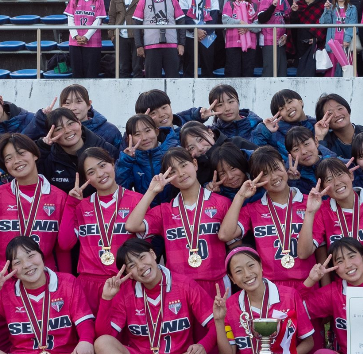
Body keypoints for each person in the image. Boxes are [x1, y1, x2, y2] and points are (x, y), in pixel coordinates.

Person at [189, 247, 333, 354]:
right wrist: (219, 321)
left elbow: (309, 342)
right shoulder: (230, 305)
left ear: (261, 266)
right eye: (238, 271)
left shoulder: (289, 295)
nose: (247, 274)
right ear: (232, 278)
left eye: (251, 266)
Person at [86, 238, 216, 354]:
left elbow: (216, 324)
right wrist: (106, 299)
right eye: (132, 265)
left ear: (153, 254)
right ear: (128, 273)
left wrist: (203, 346)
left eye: (142, 257)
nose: (140, 266)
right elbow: (104, 335)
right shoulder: (126, 292)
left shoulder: (184, 285)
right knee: (102, 343)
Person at [125, 148, 232, 299]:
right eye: (173, 171)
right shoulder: (165, 210)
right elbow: (132, 225)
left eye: (183, 165)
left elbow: (234, 244)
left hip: (216, 283)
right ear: (168, 178)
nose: (181, 173)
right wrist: (152, 191)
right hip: (179, 286)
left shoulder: (222, 204)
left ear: (195, 164)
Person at [0, 133, 71, 273]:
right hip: (1, 278)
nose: (16, 161)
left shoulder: (59, 197)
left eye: (21, 153)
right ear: (5, 166)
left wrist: (64, 280)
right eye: (9, 158)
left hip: (42, 277)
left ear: (35, 155)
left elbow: (62, 249)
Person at [57, 147, 144, 313]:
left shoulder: (138, 201)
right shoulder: (81, 206)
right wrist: (70, 204)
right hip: (88, 284)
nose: (100, 174)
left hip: (126, 281)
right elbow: (65, 243)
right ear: (86, 179)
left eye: (103, 165)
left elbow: (146, 245)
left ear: (113, 164)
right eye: (91, 172)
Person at [218, 147, 315, 284]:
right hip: (271, 286)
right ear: (256, 179)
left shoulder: (310, 203)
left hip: (308, 282)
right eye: (265, 174)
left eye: (276, 168)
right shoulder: (252, 209)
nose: (274, 177)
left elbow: (321, 250)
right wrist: (240, 196)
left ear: (284, 164)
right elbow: (225, 235)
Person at [35, 108, 111, 191]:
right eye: (59, 129)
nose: (67, 130)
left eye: (70, 123)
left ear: (79, 123)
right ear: (51, 135)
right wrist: (42, 147)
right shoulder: (47, 158)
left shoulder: (104, 148)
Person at [132, 0, 185, 78]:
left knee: (173, 79)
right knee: (152, 80)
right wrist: (139, 45)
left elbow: (181, 23)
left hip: (171, 45)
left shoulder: (173, 1)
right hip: (150, 46)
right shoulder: (143, 2)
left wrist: (181, 44)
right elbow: (136, 25)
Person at [55, 83, 124, 156]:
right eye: (67, 103)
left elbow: (119, 160)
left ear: (89, 104)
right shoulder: (55, 132)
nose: (73, 108)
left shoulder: (110, 131)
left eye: (78, 101)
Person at [178, 0, 221, 78]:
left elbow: (214, 17)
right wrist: (196, 30)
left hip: (208, 35)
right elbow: (184, 17)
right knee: (189, 65)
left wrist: (203, 32)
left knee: (208, 65)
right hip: (190, 35)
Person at [313, 92, 363, 160]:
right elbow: (323, 163)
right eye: (330, 113)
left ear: (348, 109)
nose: (337, 114)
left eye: (340, 109)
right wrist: (319, 137)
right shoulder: (325, 142)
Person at [64, 0, 107, 78]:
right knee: (77, 74)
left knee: (91, 74)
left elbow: (98, 20)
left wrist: (86, 36)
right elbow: (70, 18)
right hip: (75, 42)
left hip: (93, 42)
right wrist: (75, 36)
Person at [251, 89, 316, 158]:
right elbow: (255, 152)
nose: (288, 108)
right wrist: (264, 130)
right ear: (279, 117)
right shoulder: (275, 135)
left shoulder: (317, 125)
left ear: (301, 102)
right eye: (281, 108)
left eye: (289, 102)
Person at [109, 0, 145, 78]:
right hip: (120, 35)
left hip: (137, 36)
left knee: (138, 68)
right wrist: (112, 35)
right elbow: (112, 16)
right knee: (123, 68)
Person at [115, 114, 166, 191]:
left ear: (156, 131)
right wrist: (126, 161)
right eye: (137, 134)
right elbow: (120, 189)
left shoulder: (170, 152)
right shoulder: (131, 161)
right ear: (129, 139)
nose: (144, 138)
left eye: (147, 131)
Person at [254, 0, 290, 78]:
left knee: (281, 70)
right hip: (269, 39)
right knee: (270, 69)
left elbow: (287, 19)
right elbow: (261, 18)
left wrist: (286, 35)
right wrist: (273, 6)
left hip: (281, 40)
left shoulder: (284, 0)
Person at [221, 0, 260, 77]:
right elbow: (225, 20)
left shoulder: (254, 6)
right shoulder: (230, 4)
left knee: (248, 72)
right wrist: (239, 22)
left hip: (250, 44)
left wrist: (248, 27)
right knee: (233, 72)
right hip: (233, 43)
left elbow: (258, 26)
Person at [287, 0, 327, 75]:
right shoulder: (298, 5)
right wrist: (294, 12)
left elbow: (325, 24)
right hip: (301, 41)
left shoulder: (321, 5)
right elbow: (293, 25)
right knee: (302, 69)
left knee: (316, 70)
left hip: (317, 41)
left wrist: (317, 39)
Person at [322, 0, 357, 76]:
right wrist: (327, 10)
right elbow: (324, 23)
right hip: (333, 44)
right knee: (332, 71)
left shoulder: (352, 8)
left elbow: (353, 24)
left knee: (347, 70)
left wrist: (347, 39)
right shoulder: (331, 7)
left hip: (346, 44)